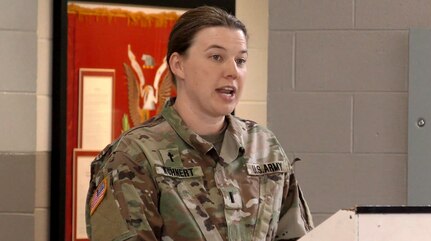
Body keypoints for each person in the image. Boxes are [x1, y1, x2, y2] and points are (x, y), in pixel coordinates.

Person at [86, 5, 313, 241]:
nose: (232, 71)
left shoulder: (265, 148)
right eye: (216, 57)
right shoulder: (135, 155)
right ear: (178, 65)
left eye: (241, 60)